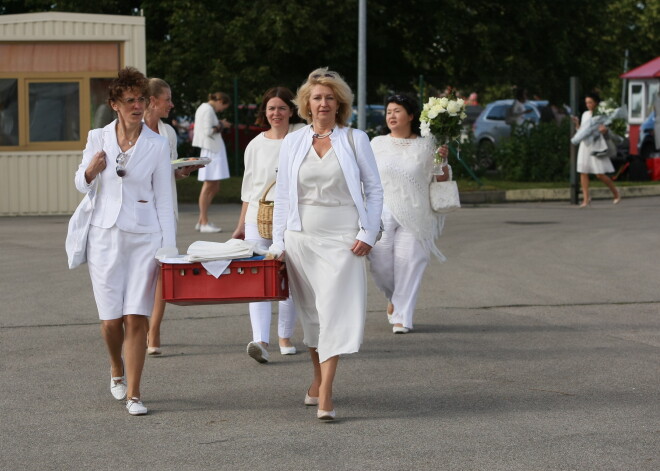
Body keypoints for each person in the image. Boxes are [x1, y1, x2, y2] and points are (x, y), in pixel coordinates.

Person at [269, 68, 383, 420]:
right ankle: (317, 381)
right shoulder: (293, 141)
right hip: (301, 238)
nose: (323, 103)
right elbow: (284, 195)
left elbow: (374, 190)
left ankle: (326, 394)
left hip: (343, 238)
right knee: (313, 317)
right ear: (307, 104)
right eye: (317, 97)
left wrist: (368, 232)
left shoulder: (355, 139)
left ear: (339, 104)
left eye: (329, 98)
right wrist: (278, 242)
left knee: (336, 312)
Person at [74, 67, 176, 415]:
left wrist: (169, 248)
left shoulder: (157, 144)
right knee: (110, 321)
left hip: (145, 238)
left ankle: (134, 393)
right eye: (129, 100)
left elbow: (165, 197)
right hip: (104, 235)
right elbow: (80, 181)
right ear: (115, 104)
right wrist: (91, 171)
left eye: (141, 99)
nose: (137, 105)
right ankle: (115, 366)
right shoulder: (97, 137)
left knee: (136, 317)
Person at [231, 87, 304, 363]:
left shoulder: (301, 136)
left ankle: (285, 336)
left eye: (282, 108)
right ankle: (260, 340)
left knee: (289, 277)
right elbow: (248, 189)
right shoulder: (255, 144)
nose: (276, 113)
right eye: (271, 108)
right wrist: (241, 225)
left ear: (291, 110)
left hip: (290, 219)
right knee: (257, 279)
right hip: (256, 220)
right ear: (265, 112)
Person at [368, 94, 448, 334]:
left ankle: (402, 317)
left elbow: (440, 179)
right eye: (389, 111)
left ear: (411, 116)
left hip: (416, 212)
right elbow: (366, 177)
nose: (391, 115)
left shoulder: (428, 145)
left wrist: (442, 161)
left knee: (410, 262)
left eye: (397, 111)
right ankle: (395, 299)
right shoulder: (376, 143)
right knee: (380, 261)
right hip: (382, 211)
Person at [143, 78, 203, 356]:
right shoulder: (134, 128)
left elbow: (169, 171)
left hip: (166, 210)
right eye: (167, 99)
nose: (172, 104)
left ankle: (154, 329)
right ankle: (134, 326)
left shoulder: (167, 132)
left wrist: (183, 170)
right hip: (139, 210)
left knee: (162, 269)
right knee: (139, 271)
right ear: (153, 101)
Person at [572, 92, 621, 207]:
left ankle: (616, 193)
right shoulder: (585, 114)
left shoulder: (602, 115)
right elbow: (582, 131)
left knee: (599, 173)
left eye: (590, 102)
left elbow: (608, 131)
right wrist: (577, 125)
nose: (588, 105)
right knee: (583, 172)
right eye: (586, 103)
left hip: (596, 145)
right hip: (585, 145)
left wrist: (605, 131)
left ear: (596, 103)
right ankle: (586, 198)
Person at [192, 92, 232, 233]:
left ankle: (201, 221)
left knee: (214, 186)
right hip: (211, 150)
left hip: (213, 149)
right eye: (223, 106)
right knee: (209, 185)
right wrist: (222, 124)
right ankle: (204, 222)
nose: (221, 110)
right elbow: (208, 131)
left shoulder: (206, 109)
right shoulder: (207, 109)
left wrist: (220, 124)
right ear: (220, 101)